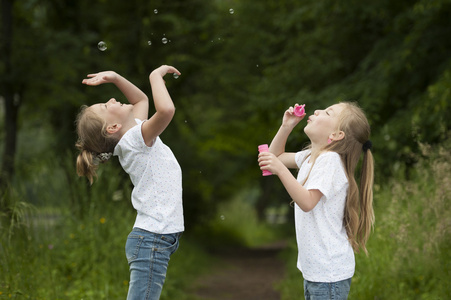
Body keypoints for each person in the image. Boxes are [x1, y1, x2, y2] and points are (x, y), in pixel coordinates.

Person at [75, 65, 184, 300]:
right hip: (152, 239)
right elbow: (166, 110)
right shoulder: (136, 139)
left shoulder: (133, 137)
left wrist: (115, 77)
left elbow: (141, 100)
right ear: (113, 127)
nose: (113, 99)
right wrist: (155, 76)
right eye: (106, 106)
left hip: (153, 239)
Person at [258, 102, 374, 300]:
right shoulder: (312, 157)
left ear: (337, 135)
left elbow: (308, 201)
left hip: (328, 273)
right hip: (318, 271)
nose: (318, 111)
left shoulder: (330, 160)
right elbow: (274, 156)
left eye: (328, 112)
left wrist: (280, 169)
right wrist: (287, 126)